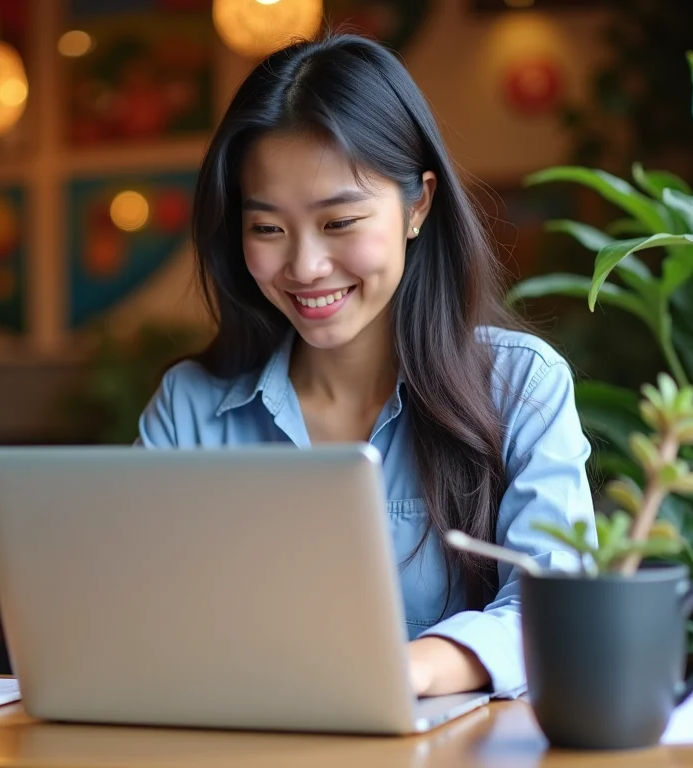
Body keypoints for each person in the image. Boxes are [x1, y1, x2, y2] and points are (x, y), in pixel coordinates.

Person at [137, 33, 596, 699]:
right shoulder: (191, 408)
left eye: (340, 221)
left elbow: (554, 607)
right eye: (267, 229)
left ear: (417, 205)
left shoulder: (522, 387)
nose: (304, 266)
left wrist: (405, 670)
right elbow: (139, 620)